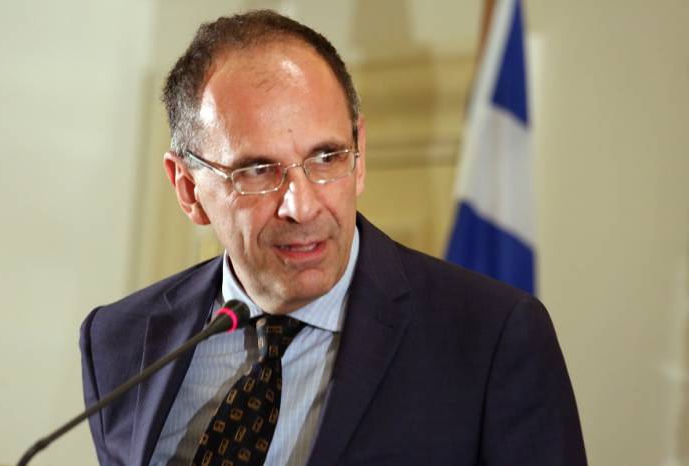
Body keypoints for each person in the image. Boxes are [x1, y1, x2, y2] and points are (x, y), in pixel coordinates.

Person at [80, 10, 586, 466]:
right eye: (257, 170)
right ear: (188, 189)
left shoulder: (491, 339)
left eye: (327, 158)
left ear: (359, 155)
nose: (301, 207)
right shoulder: (120, 343)